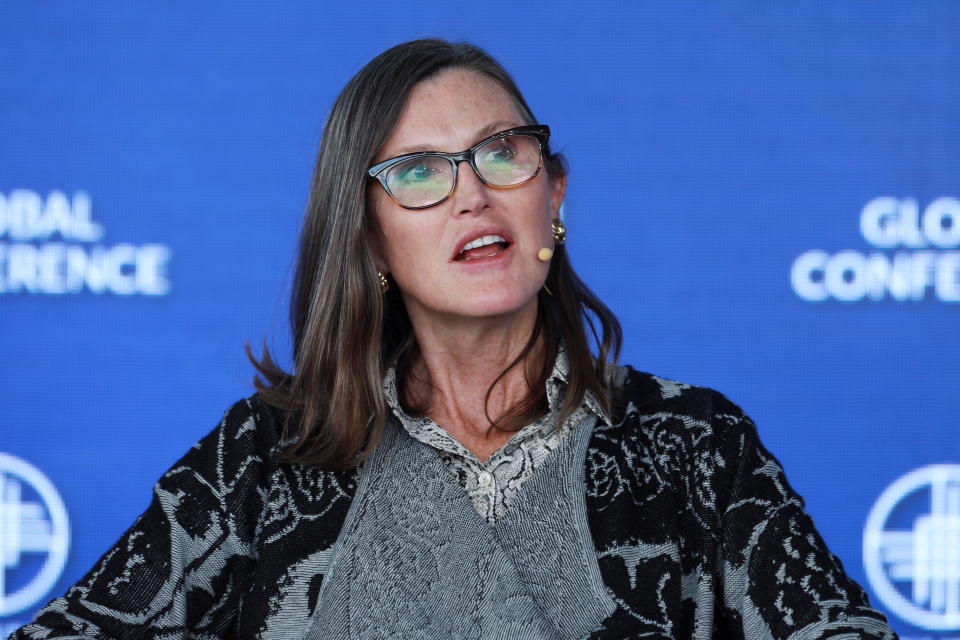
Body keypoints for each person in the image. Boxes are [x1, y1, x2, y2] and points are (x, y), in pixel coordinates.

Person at [10, 39, 898, 640]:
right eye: (420, 173)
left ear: (554, 194)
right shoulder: (265, 456)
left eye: (502, 152)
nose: (474, 194)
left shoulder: (700, 446)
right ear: (368, 239)